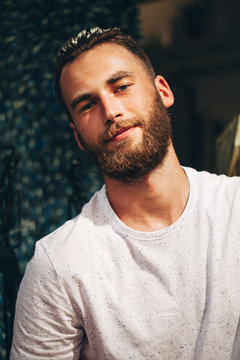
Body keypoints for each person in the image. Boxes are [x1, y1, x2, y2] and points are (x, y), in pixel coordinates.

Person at [10, 27, 240, 360]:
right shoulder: (59, 267)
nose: (111, 111)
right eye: (87, 104)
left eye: (121, 87)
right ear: (77, 137)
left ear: (162, 91)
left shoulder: (235, 210)